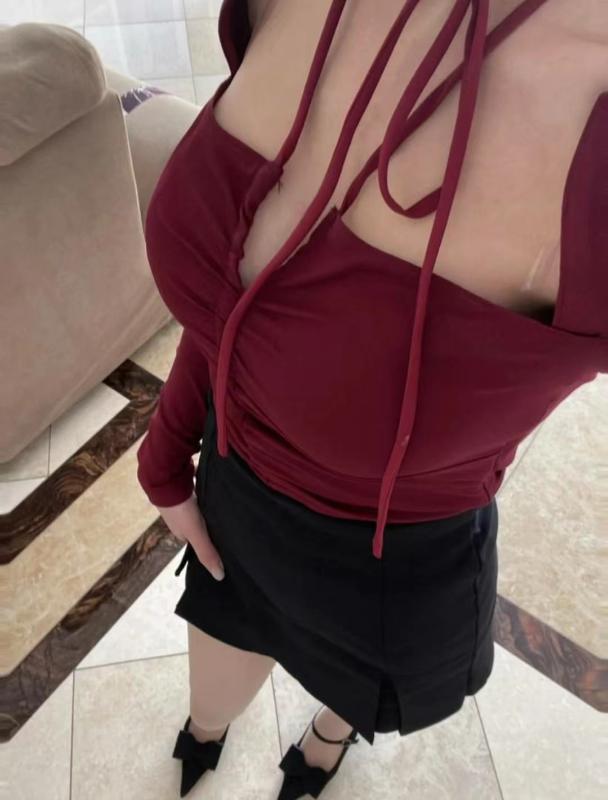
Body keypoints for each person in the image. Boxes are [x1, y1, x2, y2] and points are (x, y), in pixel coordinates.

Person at [136, 0, 608, 797]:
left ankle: (331, 732)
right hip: (234, 495)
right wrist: (165, 451)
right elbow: (235, 292)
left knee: (351, 697)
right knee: (210, 696)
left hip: (387, 577)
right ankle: (208, 731)